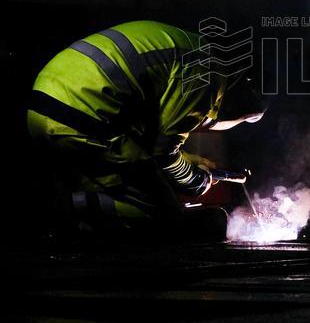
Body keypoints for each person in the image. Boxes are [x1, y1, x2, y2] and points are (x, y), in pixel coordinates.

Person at [27, 20, 266, 243]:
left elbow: (151, 141)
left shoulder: (196, 52)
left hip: (47, 106)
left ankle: (77, 210)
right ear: (238, 96)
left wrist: (192, 162)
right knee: (163, 215)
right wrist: (195, 180)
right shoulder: (206, 80)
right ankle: (59, 207)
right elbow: (162, 154)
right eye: (241, 119)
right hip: (83, 116)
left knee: (117, 186)